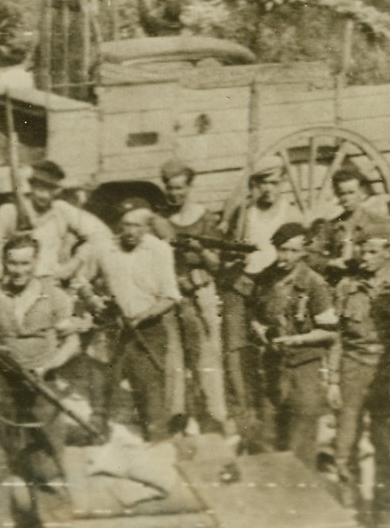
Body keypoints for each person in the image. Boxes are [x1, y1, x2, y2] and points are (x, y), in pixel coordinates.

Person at [0, 235, 81, 527]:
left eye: (25, 263)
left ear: (35, 263)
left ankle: (54, 520)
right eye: (13, 262)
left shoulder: (54, 295)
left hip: (43, 385)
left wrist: (49, 365)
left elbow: (73, 342)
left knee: (47, 457)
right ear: (4, 262)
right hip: (0, 386)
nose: (18, 270)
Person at [330, 234, 390, 525]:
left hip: (385, 370)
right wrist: (331, 380)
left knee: (383, 444)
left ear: (388, 253)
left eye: (373, 251)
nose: (365, 256)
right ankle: (350, 501)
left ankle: (384, 511)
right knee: (345, 440)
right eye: (363, 250)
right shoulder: (346, 286)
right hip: (352, 368)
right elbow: (337, 337)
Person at [82, 201, 182, 441]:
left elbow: (170, 296)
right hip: (112, 328)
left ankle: (157, 442)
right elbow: (81, 281)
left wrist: (143, 316)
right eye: (126, 225)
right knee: (102, 387)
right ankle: (97, 440)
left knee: (150, 393)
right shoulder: (103, 248)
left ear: (148, 226)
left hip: (148, 329)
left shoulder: (159, 250)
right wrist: (94, 302)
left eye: (137, 226)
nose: (130, 232)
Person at [221, 157, 300, 435]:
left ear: (282, 184)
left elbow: (299, 254)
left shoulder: (290, 214)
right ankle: (243, 412)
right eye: (263, 182)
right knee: (236, 348)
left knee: (274, 348)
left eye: (274, 182)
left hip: (273, 288)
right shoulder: (245, 213)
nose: (269, 189)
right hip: (244, 284)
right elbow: (228, 248)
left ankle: (277, 412)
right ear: (255, 185)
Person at [250, 222, 336, 470]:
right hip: (273, 366)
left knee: (300, 443)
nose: (285, 257)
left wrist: (297, 340)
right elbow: (255, 314)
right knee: (267, 436)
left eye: (292, 251)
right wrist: (259, 328)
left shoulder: (314, 284)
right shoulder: (266, 279)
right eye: (281, 250)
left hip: (303, 370)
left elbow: (329, 333)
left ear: (304, 253)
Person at [161, 158, 229, 435]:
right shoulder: (164, 222)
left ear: (189, 187)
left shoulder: (205, 218)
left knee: (208, 356)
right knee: (175, 357)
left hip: (202, 293)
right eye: (170, 188)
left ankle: (214, 415)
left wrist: (200, 250)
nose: (175, 193)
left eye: (180, 188)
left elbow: (216, 264)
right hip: (176, 294)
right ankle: (179, 416)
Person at [0, 160, 113, 284]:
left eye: (51, 189)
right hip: (15, 281)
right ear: (31, 185)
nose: (45, 195)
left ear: (57, 191)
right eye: (40, 188)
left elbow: (102, 233)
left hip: (50, 282)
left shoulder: (61, 210)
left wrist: (73, 263)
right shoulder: (9, 211)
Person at [309, 167, 390, 280]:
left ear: (362, 192)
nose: (346, 198)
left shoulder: (379, 223)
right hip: (340, 282)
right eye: (342, 194)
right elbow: (309, 254)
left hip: (370, 282)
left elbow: (389, 256)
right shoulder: (331, 226)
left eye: (351, 193)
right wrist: (331, 263)